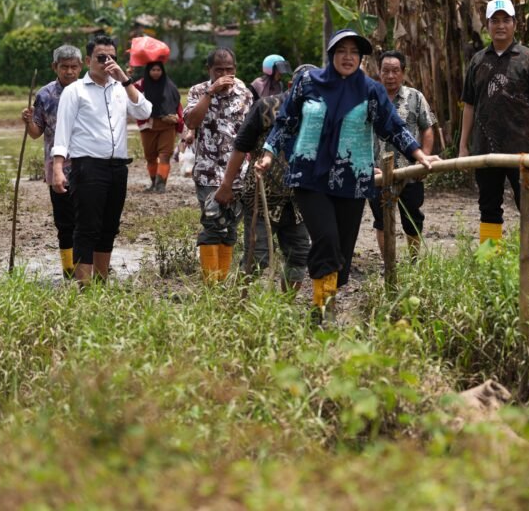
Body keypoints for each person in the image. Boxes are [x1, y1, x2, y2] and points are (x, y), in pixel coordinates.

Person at [257, 29, 439, 319]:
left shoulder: (370, 91)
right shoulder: (308, 82)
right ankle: (321, 313)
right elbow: (286, 121)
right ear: (331, 54)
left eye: (355, 52)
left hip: (352, 181)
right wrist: (268, 153)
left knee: (341, 251)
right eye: (342, 50)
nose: (348, 57)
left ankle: (327, 298)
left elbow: (393, 127)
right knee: (326, 239)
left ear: (361, 59)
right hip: (310, 176)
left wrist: (419, 154)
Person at [51, 35, 152, 286]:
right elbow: (62, 132)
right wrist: (57, 168)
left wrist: (125, 79)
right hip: (88, 167)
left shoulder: (121, 88)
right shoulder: (75, 91)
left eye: (112, 58)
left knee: (109, 227)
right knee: (87, 227)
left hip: (118, 167)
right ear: (88, 61)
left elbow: (145, 111)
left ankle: (101, 282)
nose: (107, 63)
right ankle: (84, 285)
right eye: (101, 58)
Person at [458, 0, 529, 247]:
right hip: (485, 149)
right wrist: (463, 146)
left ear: (515, 24)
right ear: (487, 25)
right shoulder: (478, 61)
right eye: (495, 20)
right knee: (488, 206)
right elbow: (469, 105)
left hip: (522, 148)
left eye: (506, 20)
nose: (501, 25)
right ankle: (490, 259)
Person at [214, 65, 316, 291]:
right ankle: (240, 301)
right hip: (262, 195)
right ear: (291, 86)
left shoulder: (321, 113)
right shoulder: (266, 107)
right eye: (305, 87)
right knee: (257, 256)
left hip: (299, 199)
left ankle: (286, 302)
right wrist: (227, 185)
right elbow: (241, 146)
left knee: (299, 254)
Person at [183, 48, 254, 283]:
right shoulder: (198, 91)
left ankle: (221, 281)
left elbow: (252, 132)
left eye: (229, 70)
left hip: (238, 173)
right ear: (209, 70)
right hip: (208, 171)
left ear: (235, 69)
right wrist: (210, 92)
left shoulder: (244, 93)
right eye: (219, 70)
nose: (224, 75)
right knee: (212, 224)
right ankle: (210, 285)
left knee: (230, 227)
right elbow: (191, 122)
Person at [20, 44, 83, 279]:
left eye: (74, 67)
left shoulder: (88, 91)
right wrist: (28, 121)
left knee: (87, 219)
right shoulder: (45, 95)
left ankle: (88, 266)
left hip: (87, 165)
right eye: (64, 67)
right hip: (57, 168)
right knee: (64, 221)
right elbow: (36, 133)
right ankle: (69, 269)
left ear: (81, 66)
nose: (69, 71)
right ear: (54, 67)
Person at [369, 50, 437, 262]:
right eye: (386, 71)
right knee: (381, 220)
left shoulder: (415, 97)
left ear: (403, 72)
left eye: (395, 71)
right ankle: (388, 264)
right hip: (378, 172)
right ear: (379, 72)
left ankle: (414, 262)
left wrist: (423, 158)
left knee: (412, 218)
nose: (390, 76)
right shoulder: (371, 98)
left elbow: (427, 128)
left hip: (410, 171)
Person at [134, 61, 184, 193]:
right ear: (148, 71)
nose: (156, 72)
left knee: (165, 155)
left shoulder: (170, 86)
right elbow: (131, 95)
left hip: (167, 125)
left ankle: (161, 185)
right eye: (153, 70)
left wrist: (178, 120)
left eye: (158, 70)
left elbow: (177, 104)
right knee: (150, 156)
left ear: (162, 71)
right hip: (148, 126)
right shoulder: (140, 85)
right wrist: (128, 76)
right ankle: (153, 183)